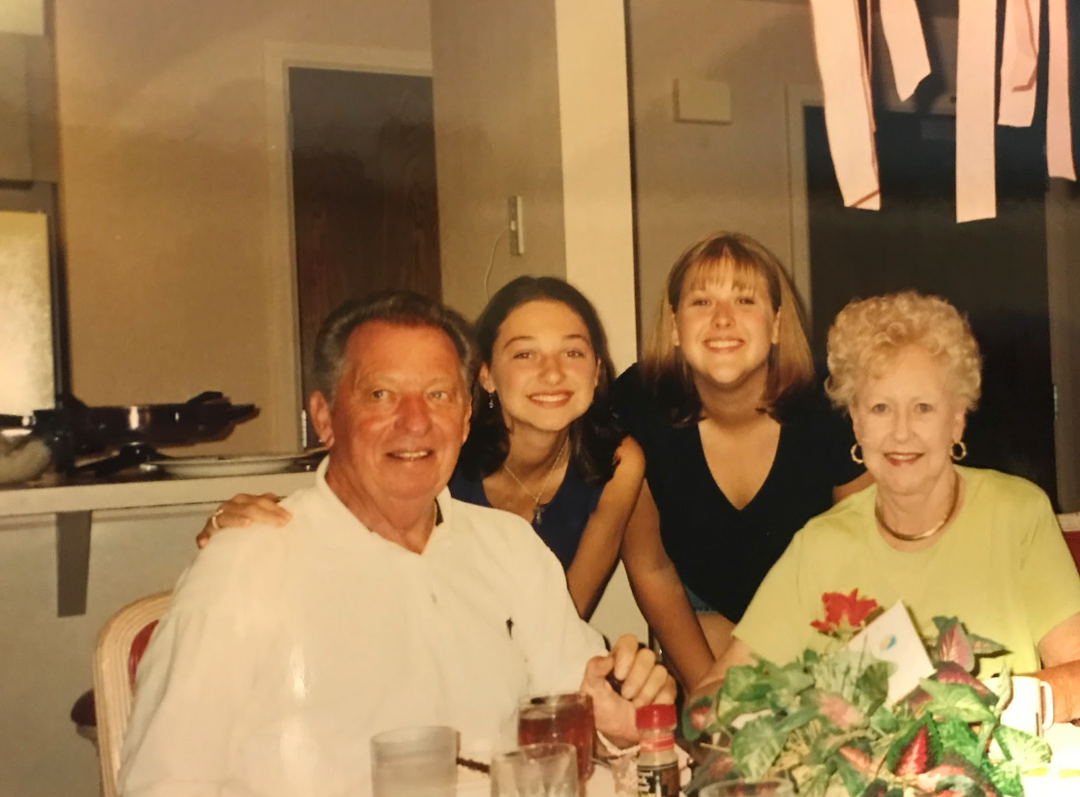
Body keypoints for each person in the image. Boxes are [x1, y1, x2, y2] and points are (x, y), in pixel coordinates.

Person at [121, 292, 674, 797]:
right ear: (325, 419)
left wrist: (619, 726)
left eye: (437, 395)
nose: (414, 422)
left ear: (463, 417)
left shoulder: (510, 549)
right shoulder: (251, 559)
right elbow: (166, 782)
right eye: (382, 394)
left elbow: (585, 722)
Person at [693, 291, 1080, 721]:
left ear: (957, 419)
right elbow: (709, 699)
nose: (901, 433)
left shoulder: (1016, 515)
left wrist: (1010, 704)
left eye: (923, 408)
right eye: (880, 408)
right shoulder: (821, 545)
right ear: (856, 421)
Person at [197, 277, 644, 619]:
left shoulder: (617, 463)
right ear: (485, 374)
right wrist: (236, 527)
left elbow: (560, 621)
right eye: (525, 354)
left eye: (573, 353)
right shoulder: (439, 453)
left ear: (597, 369)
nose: (552, 373)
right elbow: (341, 514)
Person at [614, 232, 869, 687]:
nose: (723, 319)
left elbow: (865, 556)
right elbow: (650, 566)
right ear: (674, 326)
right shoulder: (639, 401)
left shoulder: (832, 403)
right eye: (701, 302)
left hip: (816, 615)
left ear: (775, 324)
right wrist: (703, 687)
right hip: (701, 614)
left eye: (745, 300)